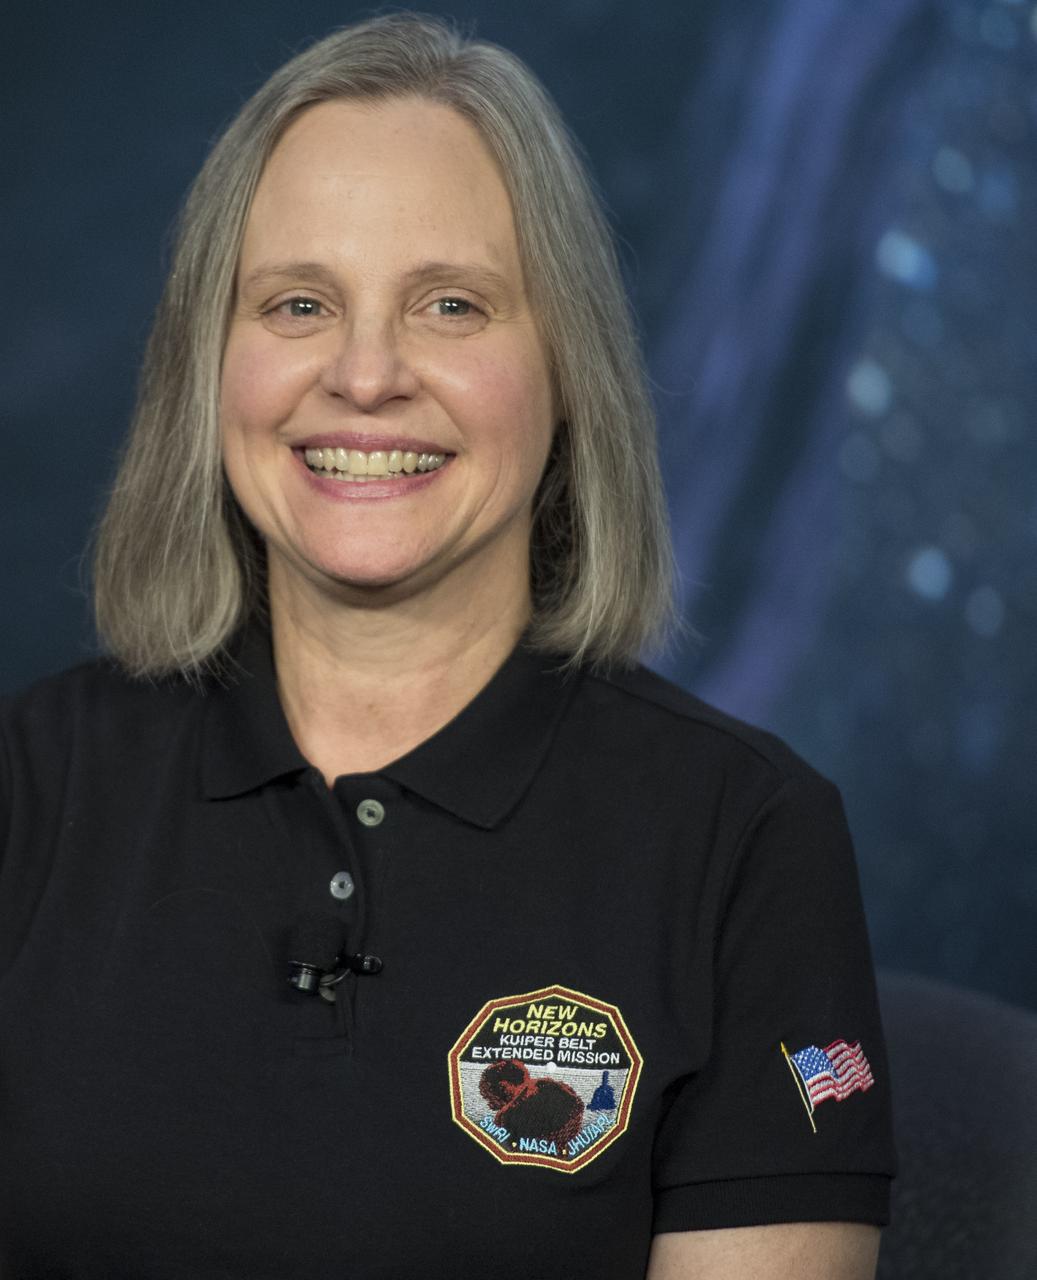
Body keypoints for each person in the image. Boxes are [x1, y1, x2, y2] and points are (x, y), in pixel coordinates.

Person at [0, 14, 894, 1278]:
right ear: (208, 365)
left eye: (452, 304)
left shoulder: (745, 838)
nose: (366, 376)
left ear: (566, 366)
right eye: (299, 302)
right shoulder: (29, 788)